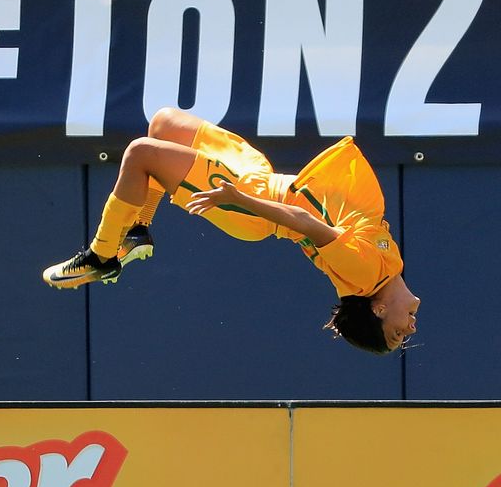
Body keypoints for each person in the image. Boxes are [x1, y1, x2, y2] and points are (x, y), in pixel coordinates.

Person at [42, 108, 420, 354]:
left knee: (141, 153)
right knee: (164, 125)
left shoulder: (366, 276)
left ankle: (102, 255)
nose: (410, 329)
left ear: (380, 309)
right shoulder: (387, 267)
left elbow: (303, 221)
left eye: (397, 333)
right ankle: (138, 229)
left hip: (253, 202)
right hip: (259, 180)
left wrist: (238, 199)